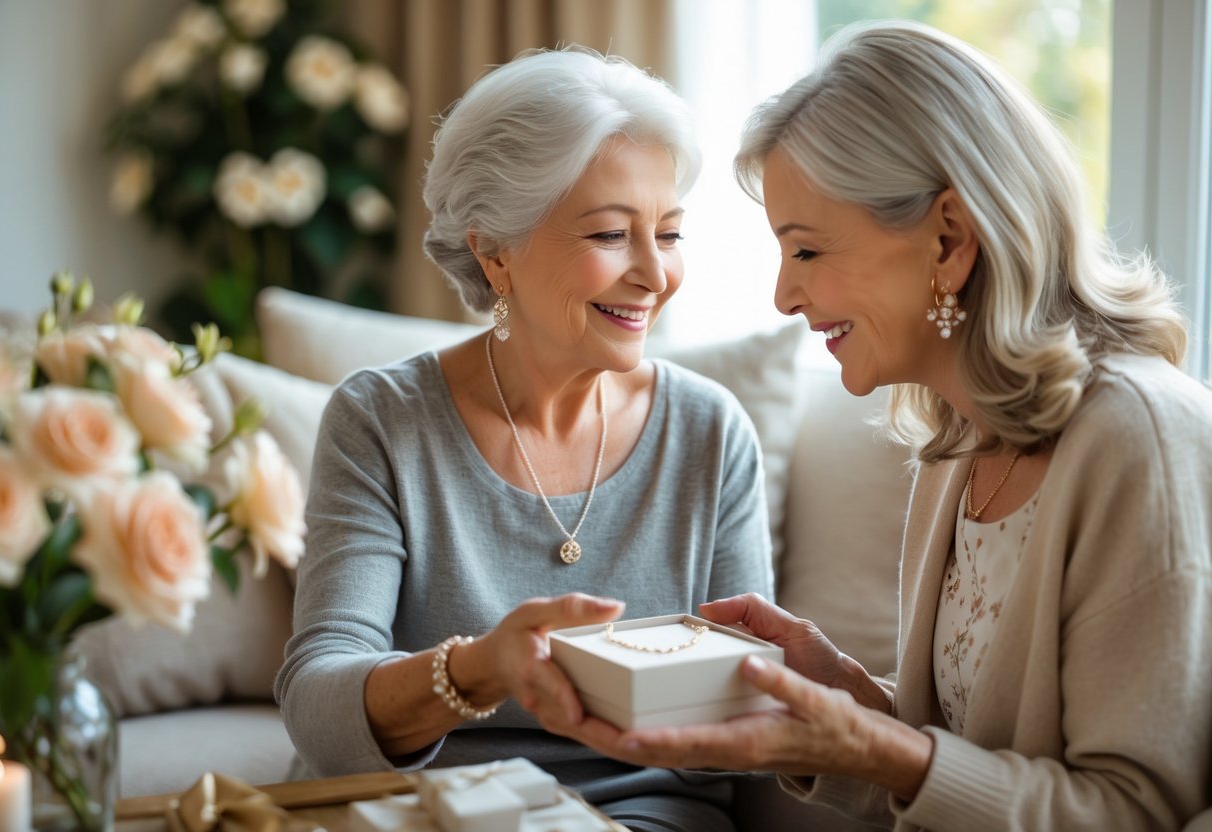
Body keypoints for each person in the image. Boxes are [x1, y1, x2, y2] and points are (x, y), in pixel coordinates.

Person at [561, 20, 1212, 831]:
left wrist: (877, 748)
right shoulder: (956, 443)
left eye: (805, 252)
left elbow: (1136, 813)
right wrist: (842, 701)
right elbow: (956, 774)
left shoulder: (1139, 438)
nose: (782, 297)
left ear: (947, 238)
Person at [273, 46, 774, 832]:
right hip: (407, 815)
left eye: (668, 234)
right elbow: (317, 704)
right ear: (493, 251)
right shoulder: (381, 420)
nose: (654, 275)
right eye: (611, 234)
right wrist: (478, 669)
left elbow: (742, 713)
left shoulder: (710, 434)